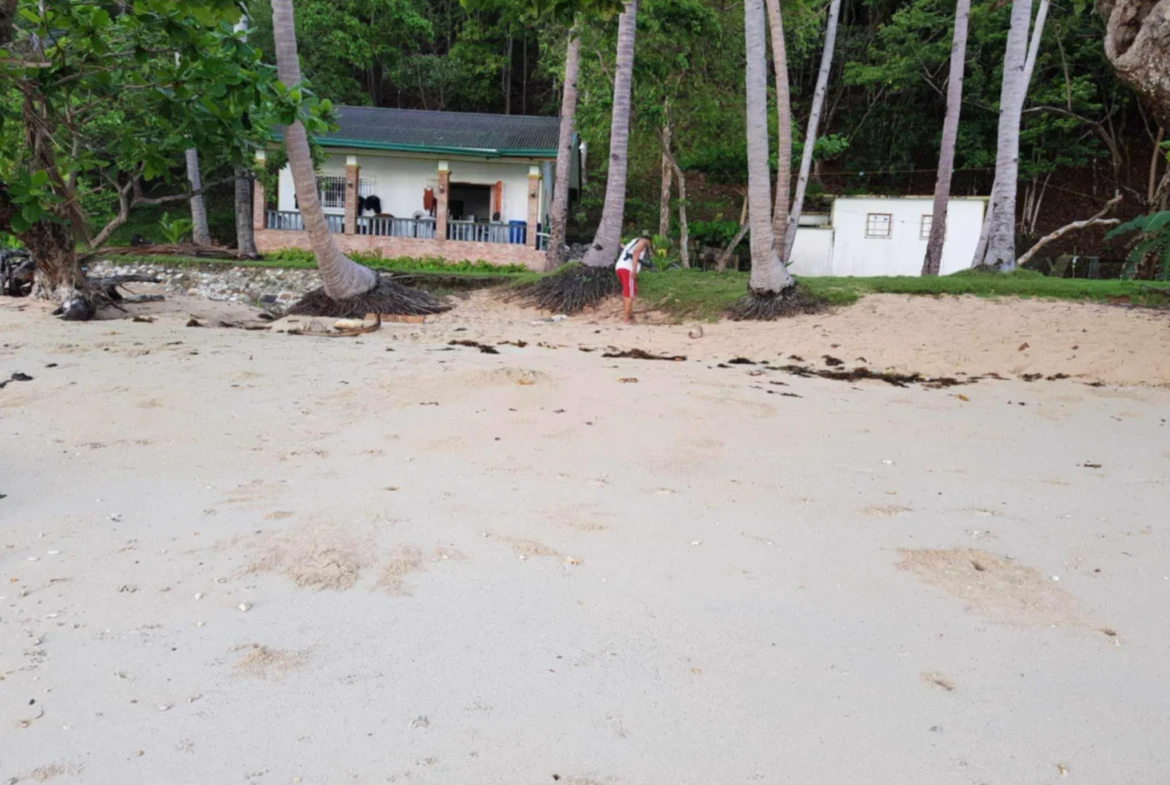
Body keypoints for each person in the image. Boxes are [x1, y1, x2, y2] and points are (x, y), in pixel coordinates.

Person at [615, 234, 651, 324]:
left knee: (629, 292)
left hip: (619, 268)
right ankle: (626, 319)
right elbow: (636, 252)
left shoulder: (632, 242)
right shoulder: (643, 241)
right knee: (629, 295)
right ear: (648, 240)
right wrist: (634, 269)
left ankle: (629, 315)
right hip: (628, 269)